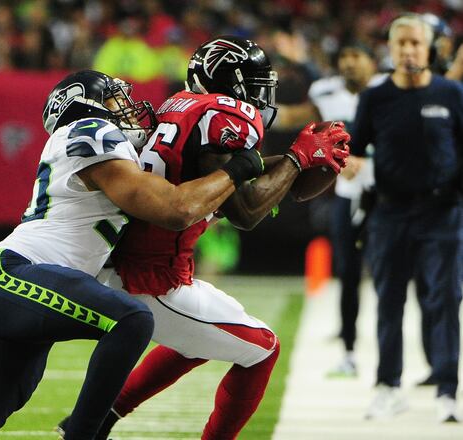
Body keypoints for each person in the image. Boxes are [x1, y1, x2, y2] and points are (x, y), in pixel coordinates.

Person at [0, 69, 270, 440]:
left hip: (19, 294)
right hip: (19, 274)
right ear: (87, 105)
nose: (126, 108)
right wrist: (238, 168)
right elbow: (174, 208)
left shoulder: (105, 146)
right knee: (131, 320)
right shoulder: (90, 130)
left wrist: (271, 168)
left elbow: (194, 200)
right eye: (114, 99)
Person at [58, 36, 351, 439]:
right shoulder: (223, 115)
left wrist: (298, 165)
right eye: (255, 83)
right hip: (150, 276)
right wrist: (299, 158)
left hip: (148, 263)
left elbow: (243, 179)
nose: (261, 95)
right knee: (263, 350)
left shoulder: (181, 106)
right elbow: (246, 210)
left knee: (201, 337)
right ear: (230, 81)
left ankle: (95, 420)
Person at [349, 14, 462, 423]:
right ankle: (388, 386)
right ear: (391, 49)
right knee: (389, 302)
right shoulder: (375, 98)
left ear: (429, 48)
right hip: (390, 212)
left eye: (416, 43)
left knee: (445, 300)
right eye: (401, 44)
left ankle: (447, 391)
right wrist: (349, 162)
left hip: (444, 213)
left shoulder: (452, 94)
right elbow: (356, 148)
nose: (409, 50)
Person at [275, 39, 382, 377]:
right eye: (345, 56)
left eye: (356, 55)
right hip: (349, 192)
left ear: (372, 61)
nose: (350, 62)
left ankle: (396, 351)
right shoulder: (326, 92)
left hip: (388, 193)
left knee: (390, 274)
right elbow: (298, 117)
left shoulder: (388, 89)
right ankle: (349, 348)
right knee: (347, 272)